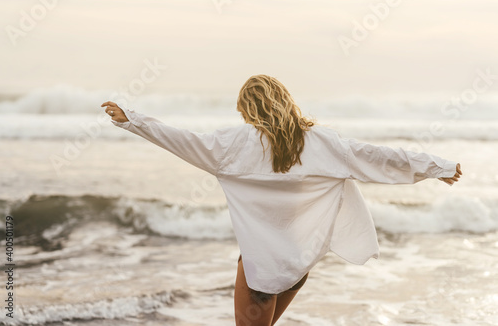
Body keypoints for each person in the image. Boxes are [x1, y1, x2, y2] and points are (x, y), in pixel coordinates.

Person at [101, 74, 462, 325]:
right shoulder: (322, 143)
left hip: (261, 268)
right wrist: (437, 166)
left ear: (248, 109)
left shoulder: (233, 145)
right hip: (297, 265)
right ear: (285, 101)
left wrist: (132, 119)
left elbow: (179, 139)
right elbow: (379, 158)